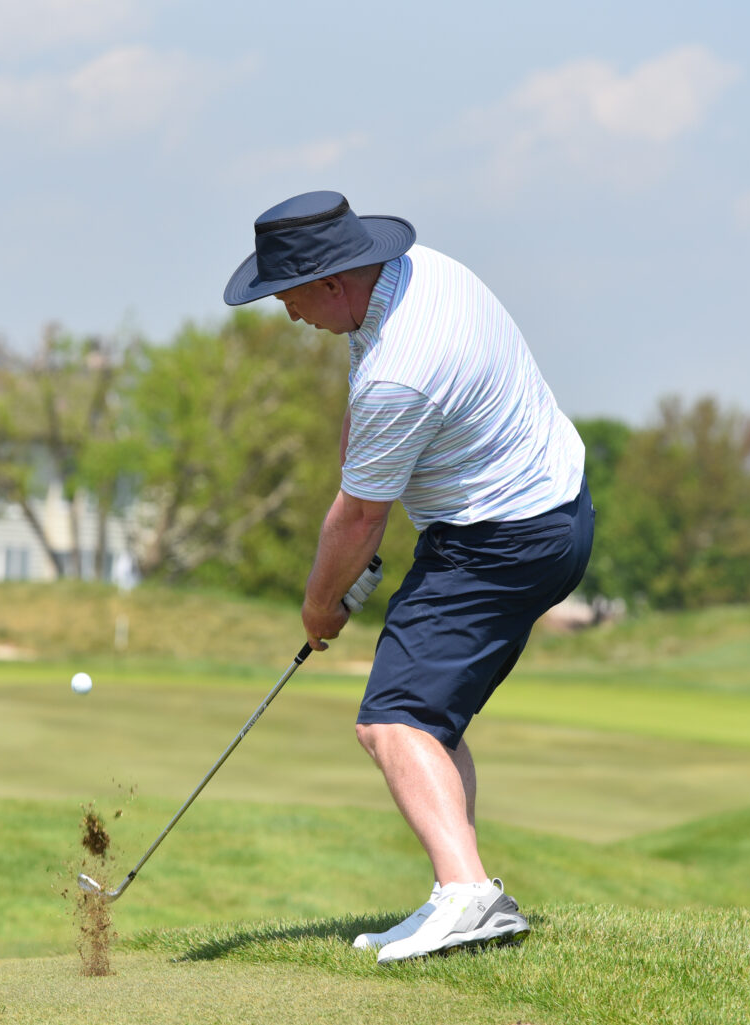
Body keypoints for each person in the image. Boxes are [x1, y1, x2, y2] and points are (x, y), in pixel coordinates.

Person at [223, 191, 594, 964]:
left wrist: (320, 607)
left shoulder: (401, 368)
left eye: (287, 294)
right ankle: (461, 891)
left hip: (503, 537)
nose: (287, 313)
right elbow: (371, 461)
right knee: (428, 718)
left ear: (331, 283)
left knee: (392, 720)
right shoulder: (419, 272)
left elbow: (360, 518)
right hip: (546, 507)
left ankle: (468, 896)